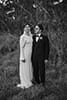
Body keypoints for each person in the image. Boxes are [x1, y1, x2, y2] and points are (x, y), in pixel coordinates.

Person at [17, 24, 33, 89]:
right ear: (24, 29)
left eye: (28, 27)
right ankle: (25, 82)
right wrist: (22, 57)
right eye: (26, 27)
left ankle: (29, 79)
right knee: (25, 68)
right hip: (25, 55)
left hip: (30, 55)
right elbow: (21, 48)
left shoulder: (31, 35)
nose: (27, 28)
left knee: (29, 67)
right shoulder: (22, 37)